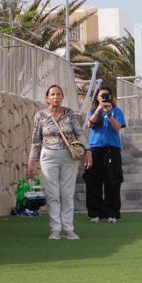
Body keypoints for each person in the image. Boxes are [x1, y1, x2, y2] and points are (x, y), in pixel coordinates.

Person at [28, 84, 86, 240]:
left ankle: (68, 229)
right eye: (52, 94)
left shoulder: (69, 114)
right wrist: (31, 161)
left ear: (62, 97)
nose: (55, 97)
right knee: (53, 194)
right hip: (48, 156)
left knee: (67, 193)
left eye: (58, 94)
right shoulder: (40, 116)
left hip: (69, 156)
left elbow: (79, 133)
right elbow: (36, 140)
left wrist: (87, 150)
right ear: (47, 98)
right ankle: (55, 229)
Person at [83, 84, 126, 222]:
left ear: (111, 97)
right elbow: (89, 125)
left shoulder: (116, 111)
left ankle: (111, 212)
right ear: (97, 97)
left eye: (107, 95)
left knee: (113, 181)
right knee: (93, 181)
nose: (104, 98)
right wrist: (99, 110)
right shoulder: (93, 111)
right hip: (95, 149)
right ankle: (96, 213)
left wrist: (109, 114)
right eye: (102, 96)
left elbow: (117, 127)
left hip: (112, 150)